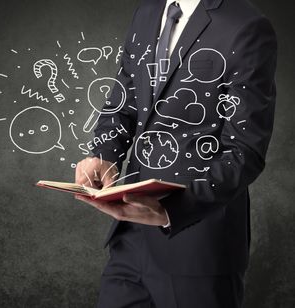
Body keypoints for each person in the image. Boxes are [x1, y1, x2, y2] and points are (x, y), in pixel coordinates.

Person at [74, 0, 277, 307]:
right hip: (129, 241)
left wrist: (175, 209)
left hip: (198, 245)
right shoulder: (146, 13)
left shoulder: (246, 27)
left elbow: (246, 150)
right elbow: (125, 99)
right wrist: (104, 153)